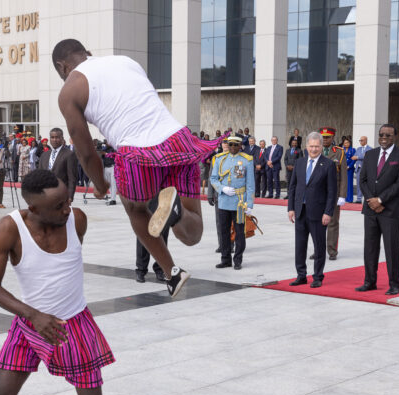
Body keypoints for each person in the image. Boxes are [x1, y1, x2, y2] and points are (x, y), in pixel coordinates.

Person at [0, 169, 141, 395]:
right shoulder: (9, 229)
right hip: (29, 324)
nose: (68, 209)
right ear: (33, 209)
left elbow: (61, 270)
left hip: (73, 326)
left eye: (68, 199)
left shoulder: (77, 220)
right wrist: (33, 314)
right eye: (59, 206)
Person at [53, 39, 225, 297]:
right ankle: (175, 211)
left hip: (135, 152)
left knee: (135, 208)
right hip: (177, 139)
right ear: (88, 52)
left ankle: (171, 272)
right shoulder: (125, 61)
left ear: (62, 66)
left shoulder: (70, 89)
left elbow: (85, 151)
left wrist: (101, 186)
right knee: (193, 234)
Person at [356, 124, 399, 296]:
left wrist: (381, 200)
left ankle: (394, 284)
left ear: (395, 136)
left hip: (391, 210)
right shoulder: (370, 154)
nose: (384, 138)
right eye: (381, 134)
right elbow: (362, 179)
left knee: (391, 248)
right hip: (371, 209)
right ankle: (369, 281)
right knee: (370, 247)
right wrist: (371, 200)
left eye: (388, 135)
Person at [287, 131, 336, 288]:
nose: (314, 149)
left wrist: (328, 212)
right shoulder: (300, 162)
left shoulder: (328, 164)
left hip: (318, 212)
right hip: (300, 211)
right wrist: (291, 208)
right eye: (311, 146)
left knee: (319, 246)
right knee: (300, 246)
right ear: (306, 146)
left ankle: (317, 277)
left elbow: (332, 192)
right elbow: (292, 187)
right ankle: (301, 275)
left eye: (317, 146)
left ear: (321, 147)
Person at [209, 136, 255, 270]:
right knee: (224, 231)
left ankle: (238, 259)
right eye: (231, 145)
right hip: (223, 200)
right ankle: (225, 259)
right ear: (227, 145)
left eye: (236, 145)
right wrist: (222, 188)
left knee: (240, 232)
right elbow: (213, 178)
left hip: (239, 202)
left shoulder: (247, 160)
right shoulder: (220, 159)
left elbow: (250, 184)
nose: (233, 148)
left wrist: (249, 204)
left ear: (241, 145)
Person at [319, 127, 346, 261]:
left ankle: (332, 250)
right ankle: (319, 249)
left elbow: (343, 175)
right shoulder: (315, 150)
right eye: (323, 137)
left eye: (327, 137)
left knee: (333, 222)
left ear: (333, 138)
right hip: (318, 194)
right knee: (317, 223)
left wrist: (342, 195)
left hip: (333, 194)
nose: (325, 140)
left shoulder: (339, 152)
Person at [39, 128, 77, 201]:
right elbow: (39, 176)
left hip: (61, 195)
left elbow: (72, 178)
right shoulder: (44, 155)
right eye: (52, 137)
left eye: (57, 137)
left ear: (62, 138)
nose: (54, 140)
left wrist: (70, 196)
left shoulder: (69, 154)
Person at [208, 139, 230, 253]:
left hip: (232, 196)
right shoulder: (216, 158)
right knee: (219, 222)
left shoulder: (236, 158)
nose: (225, 144)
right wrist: (210, 194)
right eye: (224, 143)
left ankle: (231, 244)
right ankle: (222, 244)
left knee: (232, 222)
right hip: (219, 194)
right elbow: (211, 176)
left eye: (228, 142)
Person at [99, 139, 118, 205]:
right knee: (109, 183)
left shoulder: (114, 148)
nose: (106, 143)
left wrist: (106, 154)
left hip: (113, 167)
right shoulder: (104, 149)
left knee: (113, 183)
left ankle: (113, 199)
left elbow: (113, 155)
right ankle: (112, 197)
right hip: (106, 167)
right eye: (106, 142)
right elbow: (100, 155)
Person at [353, 136, 371, 204]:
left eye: (361, 140)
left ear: (365, 141)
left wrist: (358, 157)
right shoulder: (358, 149)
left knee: (366, 184)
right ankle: (359, 198)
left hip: (366, 169)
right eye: (360, 140)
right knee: (358, 183)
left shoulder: (370, 149)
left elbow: (367, 157)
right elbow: (354, 157)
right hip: (359, 168)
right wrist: (361, 156)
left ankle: (367, 198)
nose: (360, 142)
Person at [342, 137, 356, 202]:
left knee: (349, 184)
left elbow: (354, 160)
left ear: (350, 143)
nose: (345, 144)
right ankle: (343, 198)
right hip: (342, 168)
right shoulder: (341, 149)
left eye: (347, 142)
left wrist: (349, 166)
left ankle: (349, 199)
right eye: (344, 143)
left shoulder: (353, 150)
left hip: (349, 169)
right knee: (343, 184)